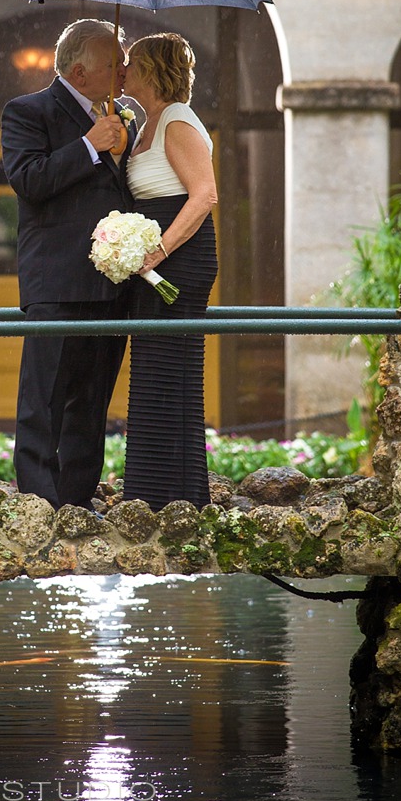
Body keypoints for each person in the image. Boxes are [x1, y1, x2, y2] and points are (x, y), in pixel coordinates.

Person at [2, 17, 138, 510]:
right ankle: (39, 505)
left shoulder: (125, 118)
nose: (123, 71)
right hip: (56, 284)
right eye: (113, 64)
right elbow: (30, 181)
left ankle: (79, 503)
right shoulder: (28, 112)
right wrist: (88, 146)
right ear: (79, 73)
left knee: (92, 401)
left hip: (111, 285)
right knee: (44, 401)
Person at [120, 31, 219, 510]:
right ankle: (151, 495)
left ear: (154, 70)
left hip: (178, 261)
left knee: (170, 374)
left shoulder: (176, 120)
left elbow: (204, 195)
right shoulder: (145, 122)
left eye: (131, 61)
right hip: (151, 264)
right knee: (152, 373)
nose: (123, 68)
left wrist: (157, 251)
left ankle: (177, 499)